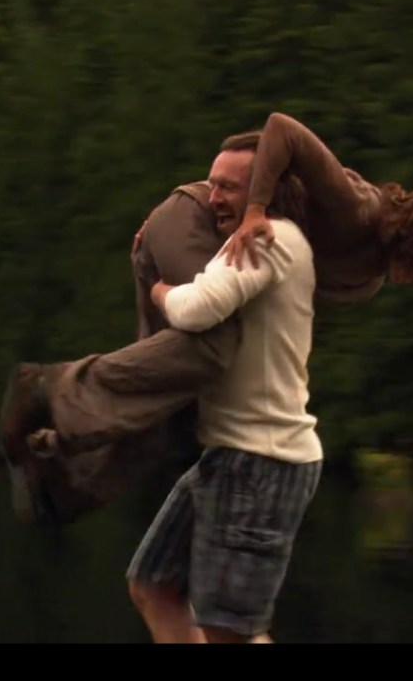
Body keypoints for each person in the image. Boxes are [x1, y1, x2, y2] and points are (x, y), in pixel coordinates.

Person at [0, 112, 413, 527]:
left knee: (179, 415)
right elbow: (282, 130)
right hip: (197, 223)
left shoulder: (370, 276)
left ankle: (53, 471)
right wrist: (251, 209)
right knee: (214, 344)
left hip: (217, 258)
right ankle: (45, 388)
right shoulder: (358, 209)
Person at [125, 141, 320, 643]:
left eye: (229, 186)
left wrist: (159, 290)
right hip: (232, 458)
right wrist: (149, 257)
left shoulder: (268, 239)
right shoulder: (247, 244)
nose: (213, 197)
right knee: (154, 583)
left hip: (263, 461)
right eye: (211, 183)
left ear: (263, 193)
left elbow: (193, 309)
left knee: (228, 629)